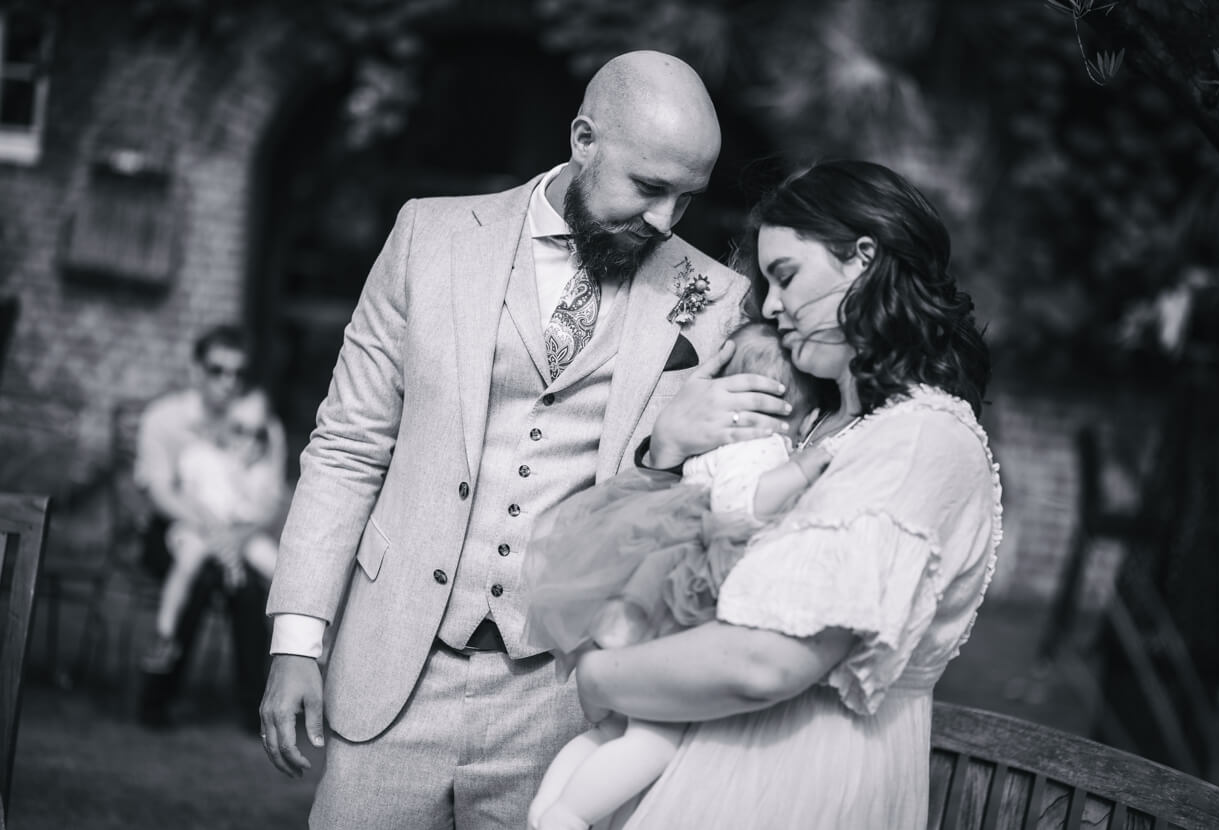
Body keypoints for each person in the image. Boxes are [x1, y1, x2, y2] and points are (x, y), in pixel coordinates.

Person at [259, 51, 794, 829]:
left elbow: (717, 509)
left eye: (686, 199)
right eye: (648, 187)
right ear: (584, 139)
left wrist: (665, 452)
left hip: (566, 695)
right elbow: (347, 444)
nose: (664, 220)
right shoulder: (430, 237)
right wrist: (297, 640)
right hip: (394, 662)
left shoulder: (717, 301)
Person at [571, 160, 1002, 829]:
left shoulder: (919, 439)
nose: (770, 307)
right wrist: (668, 452)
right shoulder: (817, 426)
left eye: (786, 275)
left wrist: (600, 677)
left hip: (798, 789)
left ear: (863, 259)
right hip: (704, 769)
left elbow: (763, 663)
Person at [523, 321, 830, 830]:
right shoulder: (764, 451)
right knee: (656, 740)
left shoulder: (708, 444)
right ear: (808, 416)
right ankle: (569, 817)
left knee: (613, 732)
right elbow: (739, 505)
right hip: (682, 606)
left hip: (648, 593)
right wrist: (802, 470)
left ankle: (546, 809)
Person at [133, 324, 282, 730]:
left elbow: (268, 502)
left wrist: (234, 538)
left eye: (238, 372)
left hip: (240, 533)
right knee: (199, 579)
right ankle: (157, 698)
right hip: (173, 529)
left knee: (248, 588)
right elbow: (160, 494)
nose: (228, 381)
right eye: (218, 370)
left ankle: (256, 706)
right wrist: (212, 530)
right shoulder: (164, 418)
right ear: (196, 370)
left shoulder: (260, 425)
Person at [144, 387, 287, 672]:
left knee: (277, 567)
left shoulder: (258, 470)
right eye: (239, 430)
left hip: (241, 537)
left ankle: (292, 643)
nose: (248, 441)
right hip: (199, 530)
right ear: (223, 425)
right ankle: (165, 633)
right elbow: (186, 497)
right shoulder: (200, 456)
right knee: (188, 562)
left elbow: (264, 509)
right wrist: (214, 526)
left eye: (257, 434)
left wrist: (248, 477)